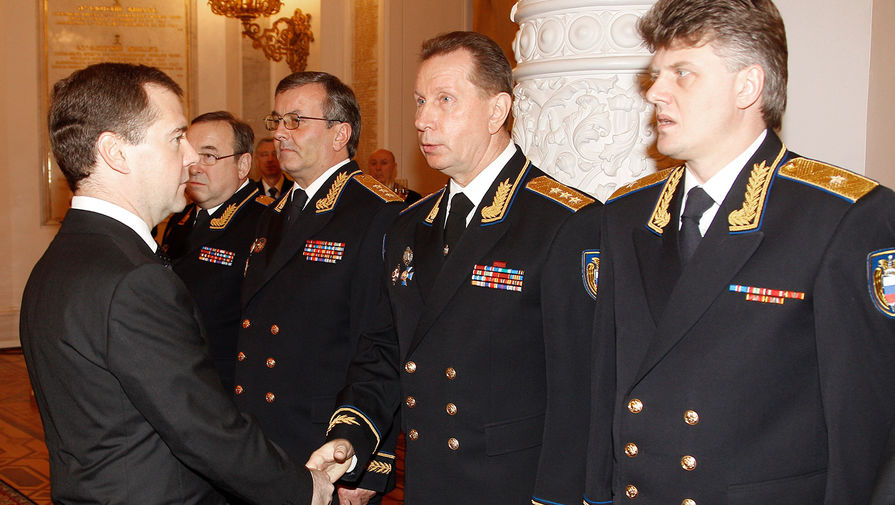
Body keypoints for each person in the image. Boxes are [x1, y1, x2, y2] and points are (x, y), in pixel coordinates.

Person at [582, 1, 895, 503]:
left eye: (683, 73)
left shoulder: (841, 218)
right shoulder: (626, 214)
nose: (656, 92)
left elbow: (868, 432)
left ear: (747, 86)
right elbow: (605, 386)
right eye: (657, 75)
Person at [308, 31, 602, 505]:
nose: (422, 120)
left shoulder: (562, 222)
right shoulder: (409, 225)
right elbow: (384, 349)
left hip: (514, 489)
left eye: (445, 100)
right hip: (429, 482)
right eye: (420, 101)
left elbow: (582, 392)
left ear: (497, 111)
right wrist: (351, 437)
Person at [19, 62, 332, 504]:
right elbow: (201, 428)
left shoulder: (61, 259)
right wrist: (305, 489)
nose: (189, 157)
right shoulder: (132, 279)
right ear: (115, 152)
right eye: (175, 138)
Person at [237, 71, 405, 504]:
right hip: (262, 436)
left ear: (340, 133)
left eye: (295, 120)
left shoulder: (377, 212)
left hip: (327, 447)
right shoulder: (275, 211)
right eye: (277, 121)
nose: (280, 133)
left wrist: (371, 464)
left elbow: (384, 343)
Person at [160, 111, 271, 391]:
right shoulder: (180, 218)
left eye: (209, 156)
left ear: (243, 164)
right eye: (189, 155)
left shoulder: (268, 222)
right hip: (179, 374)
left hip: (229, 385)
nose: (194, 168)